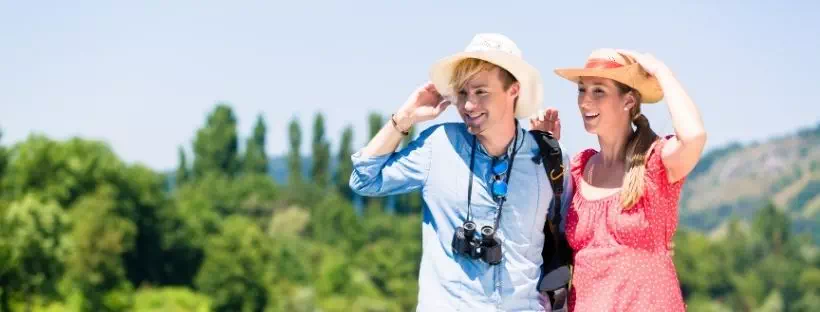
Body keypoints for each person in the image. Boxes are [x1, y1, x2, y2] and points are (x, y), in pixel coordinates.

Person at [349, 33, 571, 311]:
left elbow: (568, 237)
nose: (468, 105)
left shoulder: (548, 155)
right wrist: (405, 116)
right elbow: (364, 180)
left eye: (481, 92)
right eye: (463, 93)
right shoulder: (438, 145)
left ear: (513, 90)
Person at [532, 48, 707, 311]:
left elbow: (693, 136)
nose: (585, 101)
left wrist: (662, 73)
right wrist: (545, 150)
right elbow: (536, 223)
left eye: (598, 91)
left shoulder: (655, 162)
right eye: (582, 90)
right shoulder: (579, 168)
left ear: (629, 101)